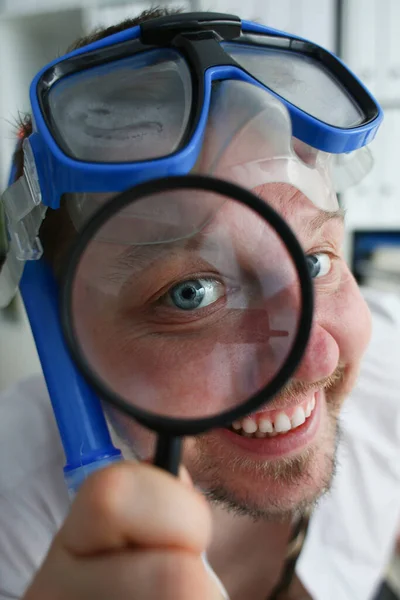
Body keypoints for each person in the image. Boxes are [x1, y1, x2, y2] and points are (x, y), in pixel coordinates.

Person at [1, 7, 399, 600]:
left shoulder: (391, 374)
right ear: (61, 330)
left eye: (315, 262)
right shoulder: (13, 523)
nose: (317, 359)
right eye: (194, 294)